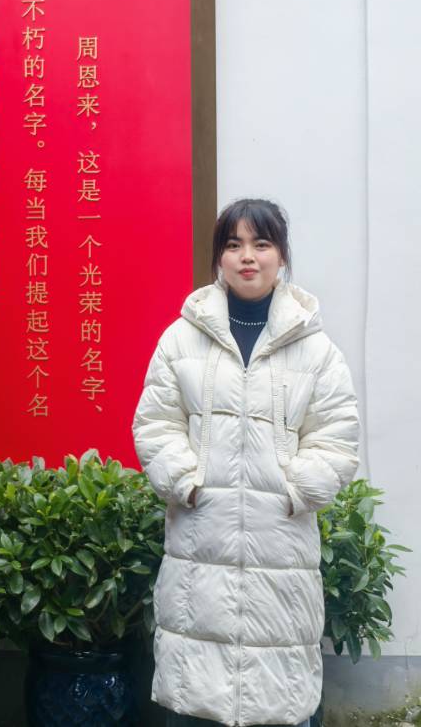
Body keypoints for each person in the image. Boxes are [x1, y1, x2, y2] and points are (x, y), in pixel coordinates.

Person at [132, 198, 360, 727]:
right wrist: (188, 483)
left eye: (261, 243)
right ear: (219, 257)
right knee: (196, 694)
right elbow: (156, 424)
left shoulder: (317, 350)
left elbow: (336, 439)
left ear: (281, 255)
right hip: (199, 546)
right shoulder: (182, 339)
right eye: (233, 245)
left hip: (281, 548)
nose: (247, 256)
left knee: (279, 695)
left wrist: (293, 490)